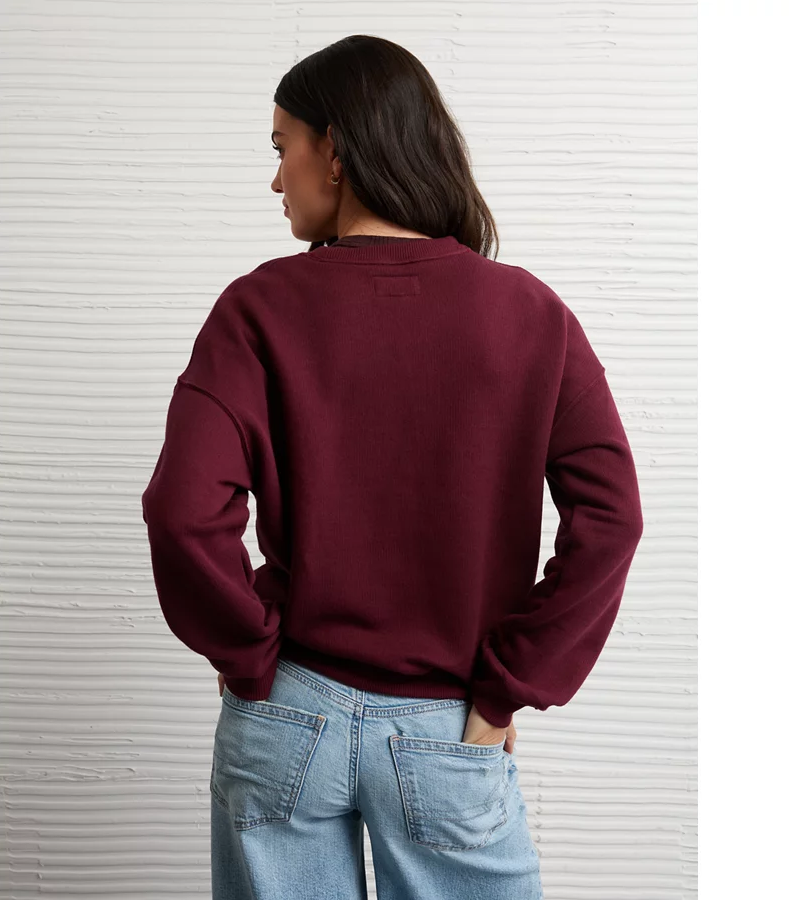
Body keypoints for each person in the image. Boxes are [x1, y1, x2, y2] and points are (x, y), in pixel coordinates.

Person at [141, 34, 643, 900]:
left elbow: (183, 511)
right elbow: (613, 519)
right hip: (449, 728)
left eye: (282, 148)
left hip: (286, 710)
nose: (276, 179)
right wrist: (506, 690)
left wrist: (247, 653)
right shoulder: (531, 315)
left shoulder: (257, 309)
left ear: (334, 150)